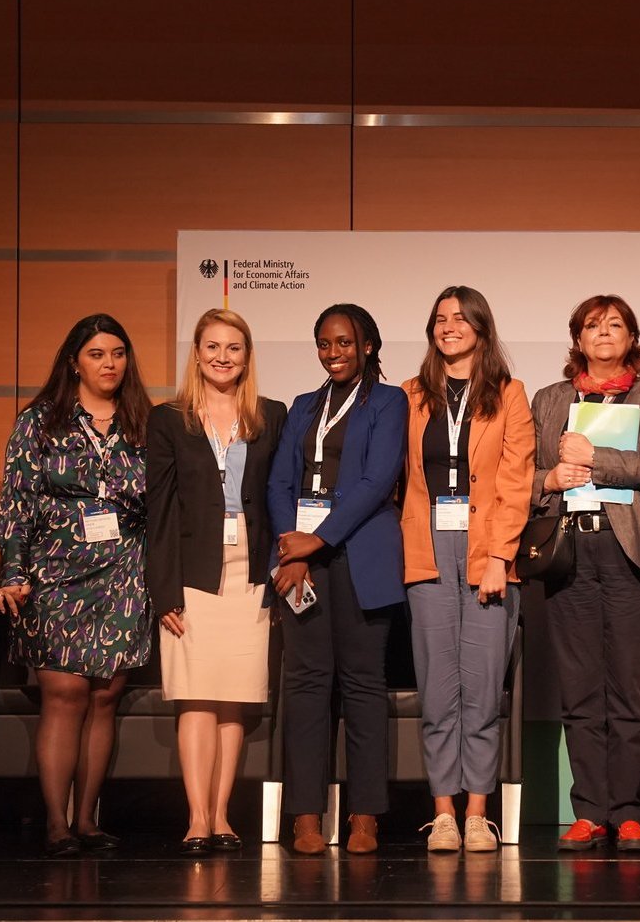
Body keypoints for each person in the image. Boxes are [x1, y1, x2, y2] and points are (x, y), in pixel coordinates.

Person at [0, 314, 152, 858]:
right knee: (64, 694)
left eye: (117, 353)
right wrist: (14, 573)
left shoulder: (145, 423)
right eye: (96, 354)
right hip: (56, 572)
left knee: (105, 696)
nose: (109, 364)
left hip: (126, 571)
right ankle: (56, 824)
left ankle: (87, 819)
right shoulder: (40, 421)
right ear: (73, 362)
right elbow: (16, 501)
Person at [531, 295, 640, 852]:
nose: (603, 333)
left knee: (628, 687)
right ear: (577, 337)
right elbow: (518, 475)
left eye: (615, 324)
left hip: (630, 553)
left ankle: (629, 811)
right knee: (579, 690)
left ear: (632, 338)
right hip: (569, 551)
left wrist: (596, 457)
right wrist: (550, 479)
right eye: (593, 325)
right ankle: (589, 811)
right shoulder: (549, 400)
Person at [146, 309, 287, 855]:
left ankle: (224, 813)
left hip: (251, 578)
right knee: (197, 701)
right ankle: (196, 817)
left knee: (235, 702)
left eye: (233, 347)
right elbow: (158, 511)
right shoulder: (169, 419)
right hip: (193, 580)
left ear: (247, 356)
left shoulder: (269, 416)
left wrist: (278, 578)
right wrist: (164, 592)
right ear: (197, 353)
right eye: (212, 346)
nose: (222, 356)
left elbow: (278, 503)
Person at [268, 303, 407, 856]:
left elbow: (377, 481)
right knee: (304, 687)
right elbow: (280, 482)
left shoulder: (390, 401)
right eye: (324, 344)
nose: (333, 353)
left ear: (368, 345)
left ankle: (365, 816)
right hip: (303, 563)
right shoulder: (303, 407)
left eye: (344, 342)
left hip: (359, 558)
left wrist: (318, 538)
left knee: (363, 686)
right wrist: (292, 550)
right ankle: (305, 815)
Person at [401, 287, 535, 854]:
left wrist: (501, 557)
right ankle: (443, 812)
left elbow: (516, 479)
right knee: (437, 690)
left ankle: (478, 813)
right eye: (440, 318)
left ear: (481, 327)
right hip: (425, 548)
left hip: (489, 551)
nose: (449, 326)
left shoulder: (509, 394)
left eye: (460, 318)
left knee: (482, 689)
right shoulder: (409, 396)